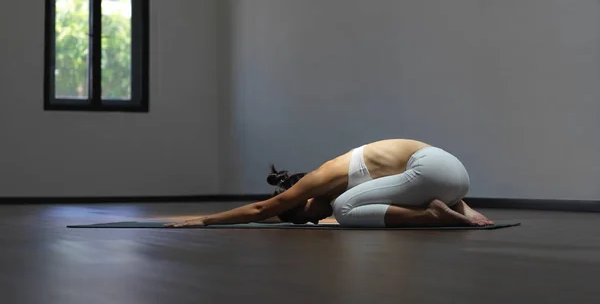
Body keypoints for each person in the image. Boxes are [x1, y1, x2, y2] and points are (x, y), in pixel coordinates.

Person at [166, 139, 494, 228]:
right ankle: (458, 209)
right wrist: (465, 204)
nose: (313, 220)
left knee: (345, 208)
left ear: (302, 196)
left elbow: (263, 208)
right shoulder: (349, 172)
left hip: (431, 172)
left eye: (303, 216)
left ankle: (432, 217)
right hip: (456, 176)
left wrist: (205, 220)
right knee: (362, 202)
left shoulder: (318, 178)